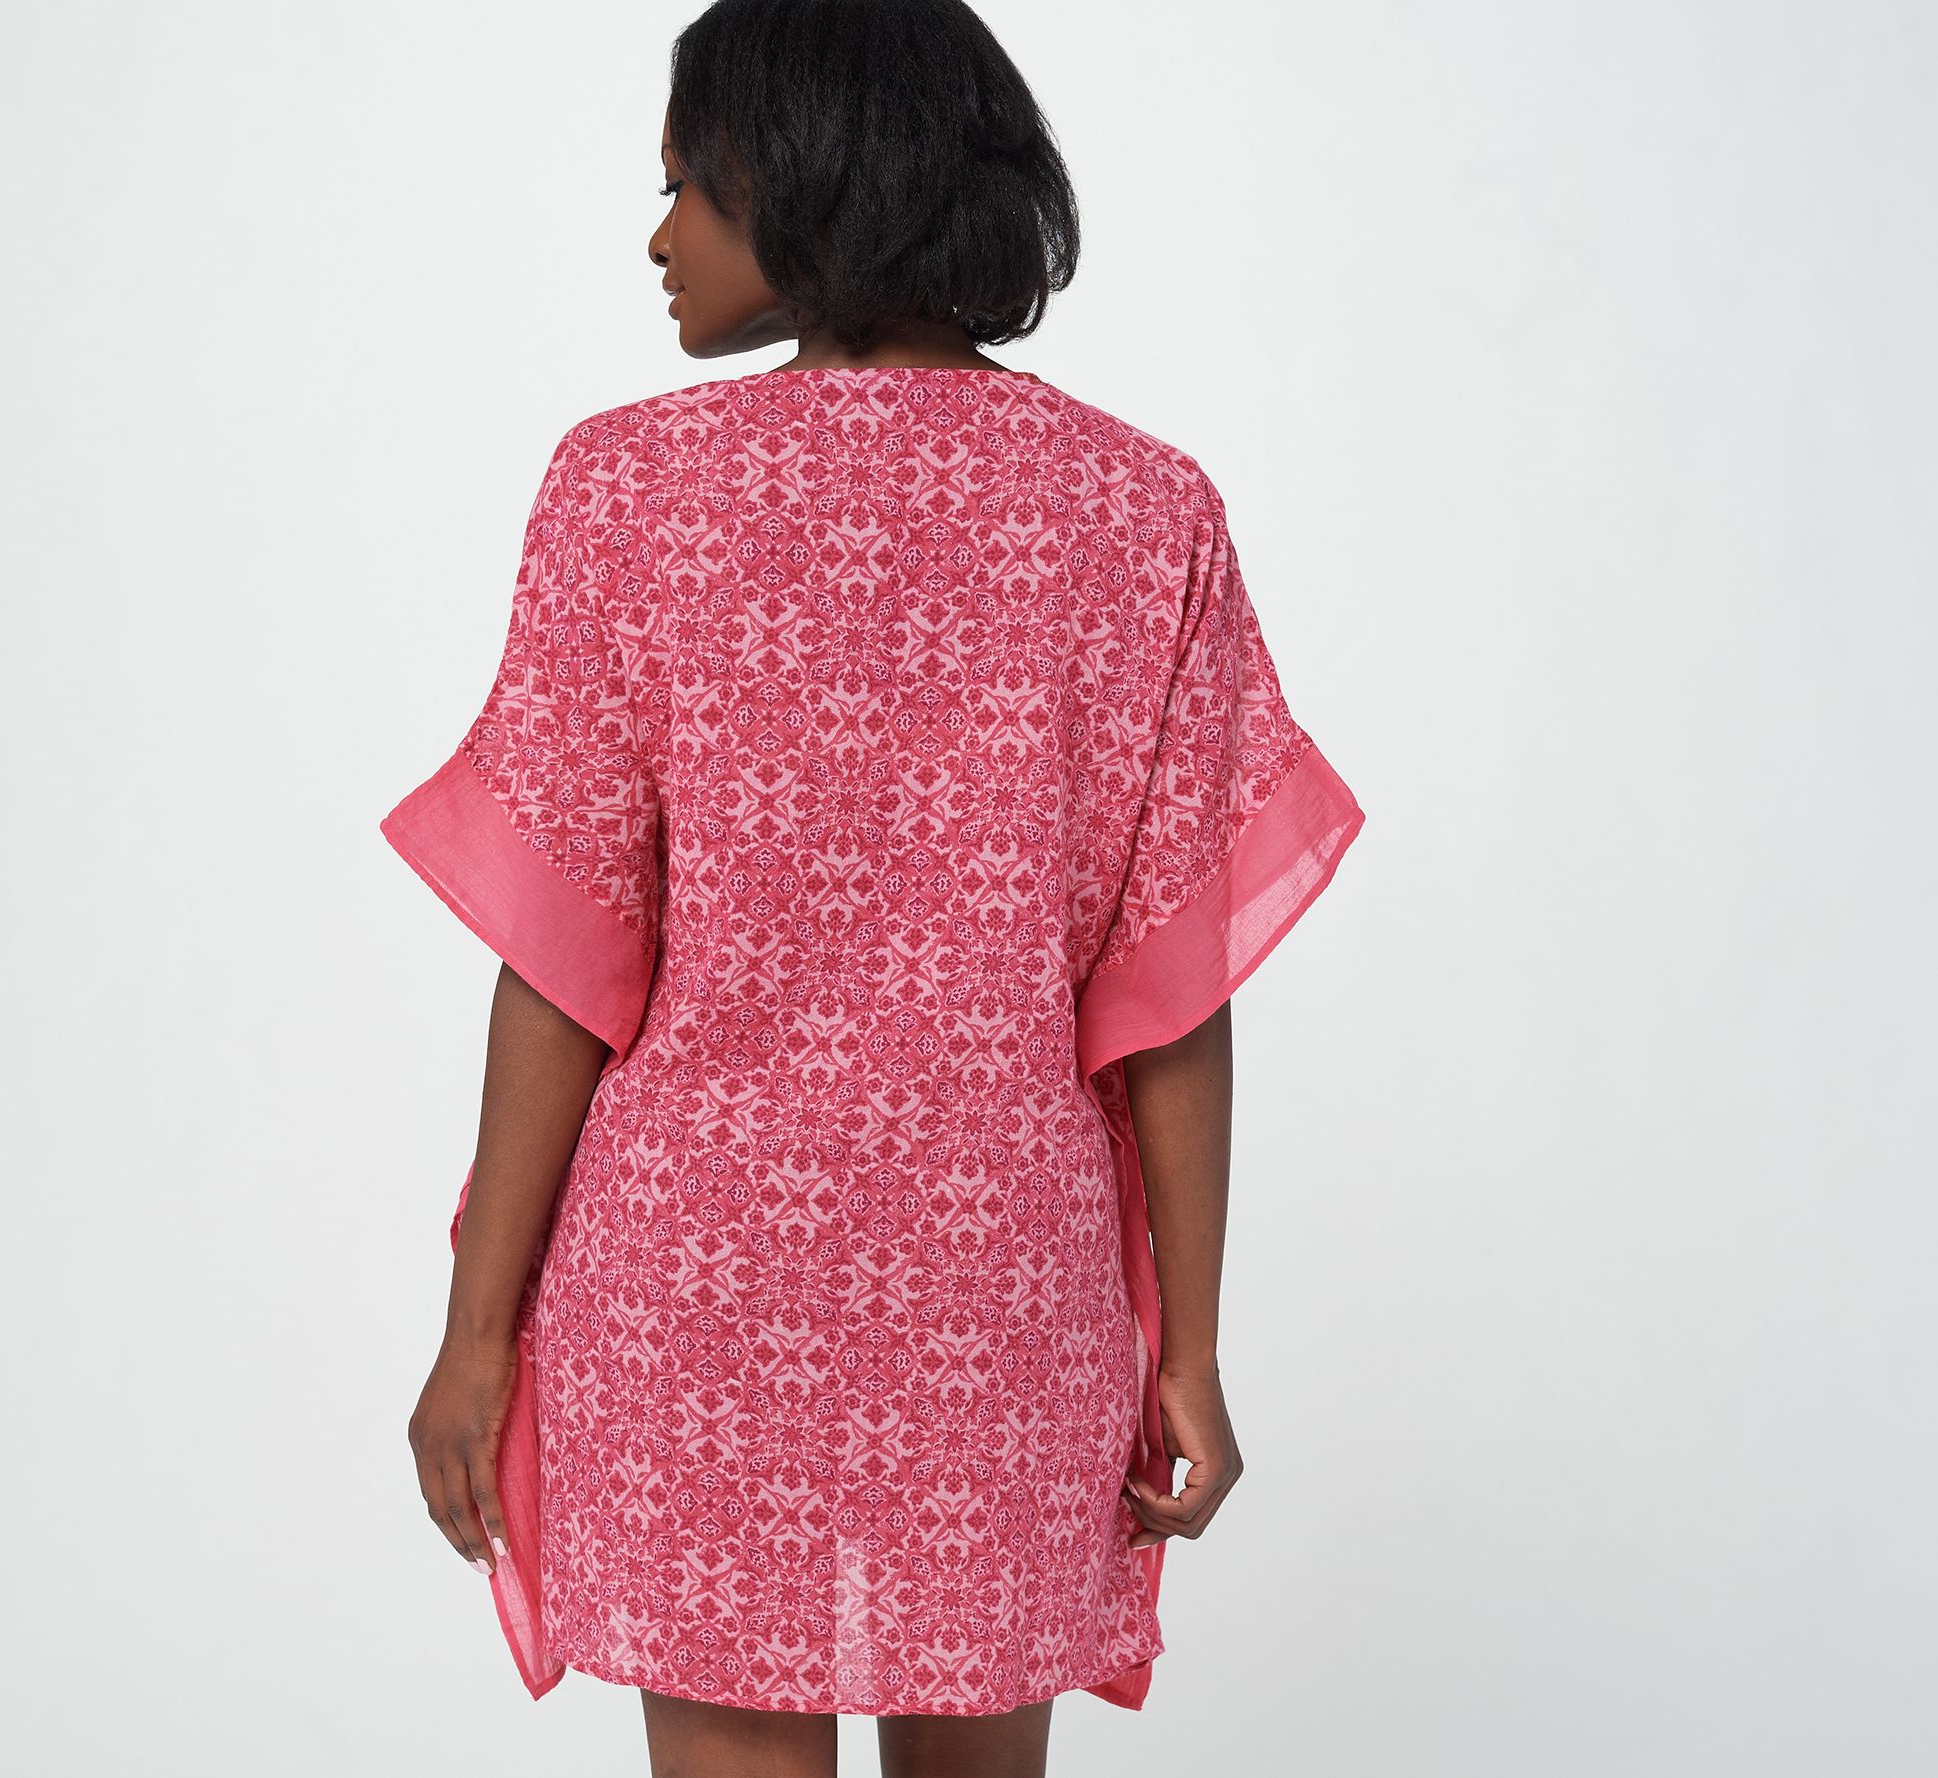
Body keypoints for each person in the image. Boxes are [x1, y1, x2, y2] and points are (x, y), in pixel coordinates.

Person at [380, 2, 1367, 1772]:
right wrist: (1192, 1349)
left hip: (694, 1291)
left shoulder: (627, 492)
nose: (660, 237)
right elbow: (1170, 990)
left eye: (687, 185)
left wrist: (477, 1333)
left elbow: (565, 958)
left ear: (804, 175)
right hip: (1003, 1298)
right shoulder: (1143, 512)